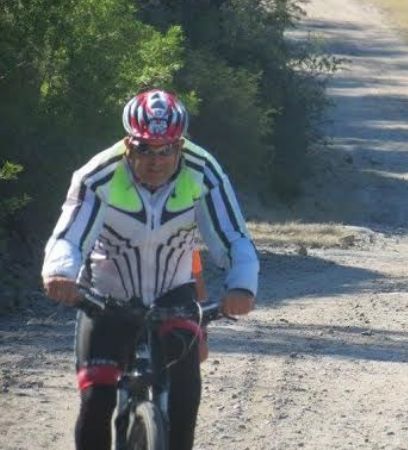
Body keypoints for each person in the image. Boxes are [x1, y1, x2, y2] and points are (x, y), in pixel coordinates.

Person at [41, 89, 259, 450]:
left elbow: (234, 237)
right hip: (105, 296)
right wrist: (60, 273)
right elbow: (69, 236)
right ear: (128, 144)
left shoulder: (203, 171)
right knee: (96, 399)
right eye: (144, 149)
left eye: (166, 150)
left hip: (174, 293)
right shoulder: (98, 174)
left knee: (185, 394)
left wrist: (242, 286)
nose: (155, 161)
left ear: (180, 145)